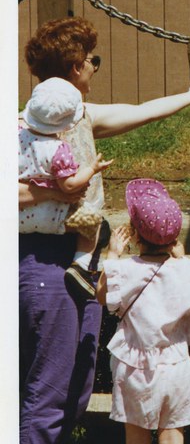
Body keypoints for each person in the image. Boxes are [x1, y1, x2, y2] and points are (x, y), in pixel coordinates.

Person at [19, 16, 190, 444]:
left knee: (74, 375)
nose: (95, 67)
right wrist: (57, 194)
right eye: (93, 60)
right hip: (44, 260)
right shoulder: (22, 129)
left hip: (83, 260)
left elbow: (145, 111)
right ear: (75, 67)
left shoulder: (84, 117)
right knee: (45, 378)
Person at [95, 179, 190, 444]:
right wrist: (182, 258)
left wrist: (113, 255)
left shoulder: (125, 270)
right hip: (176, 367)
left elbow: (102, 296)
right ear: (174, 236)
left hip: (135, 368)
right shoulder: (186, 270)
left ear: (134, 233)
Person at [19, 76, 113, 300]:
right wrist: (91, 169)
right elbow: (69, 186)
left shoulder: (16, 136)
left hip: (19, 217)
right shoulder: (58, 150)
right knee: (95, 222)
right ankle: (80, 265)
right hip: (53, 218)